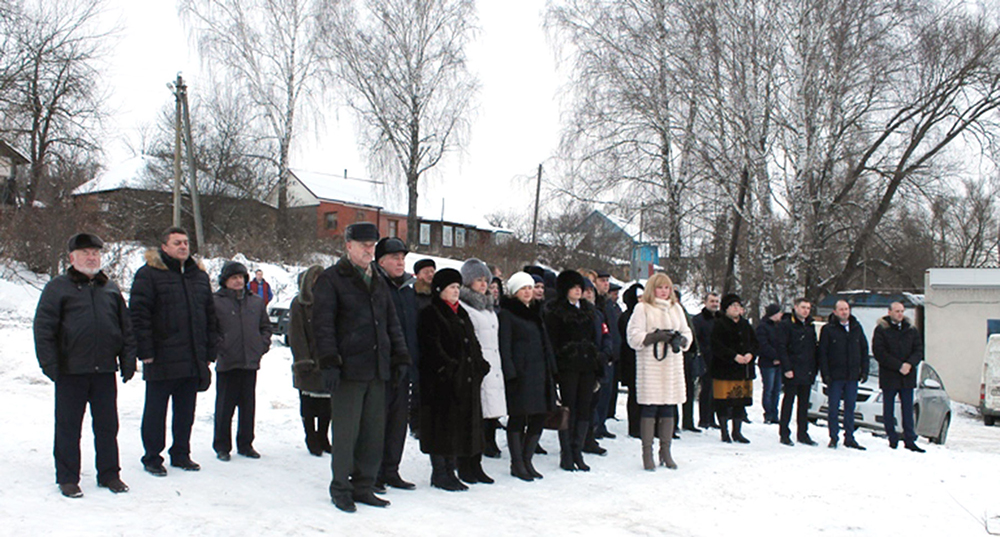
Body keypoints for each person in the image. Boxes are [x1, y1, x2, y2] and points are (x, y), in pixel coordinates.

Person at [313, 222, 410, 513]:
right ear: (349, 246)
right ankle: (341, 487)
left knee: (372, 432)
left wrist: (401, 357)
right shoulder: (332, 279)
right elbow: (323, 326)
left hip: (377, 369)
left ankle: (364, 486)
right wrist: (329, 362)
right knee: (346, 433)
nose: (369, 249)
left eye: (372, 244)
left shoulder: (378, 279)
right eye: (363, 244)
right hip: (348, 371)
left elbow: (392, 322)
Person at [34, 233, 136, 498]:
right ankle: (68, 478)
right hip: (71, 371)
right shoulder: (58, 288)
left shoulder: (110, 289)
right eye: (85, 253)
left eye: (95, 253)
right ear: (72, 258)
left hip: (104, 371)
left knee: (107, 426)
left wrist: (127, 359)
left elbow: (125, 328)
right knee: (68, 427)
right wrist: (50, 364)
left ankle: (109, 474)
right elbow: (44, 328)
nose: (92, 258)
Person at [130, 226, 217, 477]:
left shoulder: (198, 276)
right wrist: (144, 349)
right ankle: (152, 457)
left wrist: (211, 348)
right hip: (161, 356)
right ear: (164, 247)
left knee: (185, 411)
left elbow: (210, 314)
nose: (183, 247)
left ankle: (181, 453)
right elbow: (138, 314)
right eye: (177, 242)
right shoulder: (149, 274)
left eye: (186, 243)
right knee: (156, 411)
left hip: (192, 357)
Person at [418, 268, 490, 491]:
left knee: (456, 426)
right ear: (440, 290)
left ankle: (451, 470)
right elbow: (431, 347)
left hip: (464, 381)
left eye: (458, 287)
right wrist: (448, 368)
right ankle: (440, 472)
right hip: (441, 383)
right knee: (441, 427)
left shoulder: (462, 314)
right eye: (452, 287)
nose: (456, 291)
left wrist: (480, 366)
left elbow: (473, 343)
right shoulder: (430, 313)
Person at [626, 273, 692, 471]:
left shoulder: (676, 308)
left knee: (669, 408)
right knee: (649, 408)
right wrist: (653, 338)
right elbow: (633, 336)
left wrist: (681, 340)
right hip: (651, 366)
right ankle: (647, 453)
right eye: (660, 287)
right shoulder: (642, 308)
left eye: (667, 288)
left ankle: (666, 451)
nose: (664, 291)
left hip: (671, 364)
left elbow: (688, 332)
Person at [499, 272, 556, 481]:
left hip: (539, 373)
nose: (527, 292)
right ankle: (517, 463)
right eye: (523, 288)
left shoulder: (536, 313)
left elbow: (545, 343)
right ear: (514, 292)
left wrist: (552, 369)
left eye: (530, 288)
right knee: (518, 417)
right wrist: (510, 373)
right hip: (520, 374)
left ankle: (527, 459)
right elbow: (504, 345)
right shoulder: (507, 314)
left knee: (539, 416)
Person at [211, 261, 272, 461]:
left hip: (250, 362)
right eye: (234, 277)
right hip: (228, 361)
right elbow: (210, 330)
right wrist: (221, 347)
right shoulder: (216, 301)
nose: (238, 281)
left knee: (248, 406)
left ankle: (246, 444)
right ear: (225, 280)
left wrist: (261, 346)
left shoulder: (255, 302)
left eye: (241, 277)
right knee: (224, 407)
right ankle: (222, 446)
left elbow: (265, 327)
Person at [544, 270, 603, 472]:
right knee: (569, 408)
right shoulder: (555, 312)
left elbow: (596, 339)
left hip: (587, 366)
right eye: (574, 287)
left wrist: (597, 362)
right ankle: (566, 452)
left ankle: (577, 449)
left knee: (584, 407)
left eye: (581, 287)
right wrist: (556, 368)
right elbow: (552, 342)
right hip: (567, 367)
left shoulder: (588, 310)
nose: (578, 291)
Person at [374, 237, 419, 490]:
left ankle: (392, 470)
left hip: (405, 367)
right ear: (381, 262)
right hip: (382, 368)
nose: (400, 262)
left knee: (398, 423)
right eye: (395, 258)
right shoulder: (376, 288)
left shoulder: (408, 290)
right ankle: (375, 472)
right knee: (379, 422)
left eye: (403, 258)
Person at [459, 259, 507, 478]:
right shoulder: (465, 307)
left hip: (491, 369)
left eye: (485, 280)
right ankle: (467, 464)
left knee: (485, 419)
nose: (483, 284)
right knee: (472, 420)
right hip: (474, 370)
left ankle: (477, 463)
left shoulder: (488, 309)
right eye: (478, 279)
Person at [288, 265, 331, 456]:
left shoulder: (330, 301)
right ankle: (310, 436)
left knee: (326, 404)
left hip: (327, 360)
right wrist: (304, 360)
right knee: (308, 403)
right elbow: (296, 334)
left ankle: (323, 436)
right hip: (308, 360)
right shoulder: (299, 303)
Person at [872, 302, 925, 452]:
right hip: (890, 375)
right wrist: (898, 366)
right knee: (888, 408)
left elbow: (918, 350)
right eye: (897, 311)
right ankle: (892, 437)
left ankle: (910, 439)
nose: (900, 314)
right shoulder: (882, 330)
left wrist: (909, 364)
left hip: (907, 376)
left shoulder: (911, 330)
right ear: (889, 312)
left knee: (908, 409)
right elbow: (879, 352)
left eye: (902, 311)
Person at [818, 300, 869, 450]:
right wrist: (825, 373)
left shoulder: (856, 328)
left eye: (846, 309)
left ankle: (850, 437)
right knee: (833, 408)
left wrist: (864, 370)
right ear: (835, 312)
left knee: (850, 408)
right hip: (835, 376)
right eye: (841, 309)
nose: (844, 312)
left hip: (852, 375)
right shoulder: (828, 329)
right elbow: (823, 353)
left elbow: (864, 350)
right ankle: (833, 437)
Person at [710, 294, 758, 444]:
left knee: (740, 401)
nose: (737, 308)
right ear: (726, 309)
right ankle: (724, 432)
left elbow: (755, 343)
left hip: (744, 369)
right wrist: (734, 356)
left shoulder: (746, 325)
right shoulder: (719, 324)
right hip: (725, 368)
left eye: (739, 306)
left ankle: (737, 431)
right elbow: (716, 345)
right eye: (733, 306)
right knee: (723, 402)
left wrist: (751, 354)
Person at [776, 298, 818, 447]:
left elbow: (813, 349)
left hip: (807, 370)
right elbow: (782, 348)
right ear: (795, 307)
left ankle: (803, 433)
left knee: (804, 404)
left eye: (808, 308)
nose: (806, 310)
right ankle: (784, 433)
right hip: (792, 369)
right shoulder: (786, 325)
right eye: (803, 307)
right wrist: (787, 368)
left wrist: (814, 370)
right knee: (788, 402)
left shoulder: (810, 325)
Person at [581, 278, 613, 456]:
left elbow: (606, 333)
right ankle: (580, 439)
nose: (588, 294)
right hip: (585, 364)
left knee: (594, 403)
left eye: (591, 291)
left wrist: (607, 351)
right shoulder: (578, 315)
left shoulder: (598, 314)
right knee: (583, 406)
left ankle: (589, 437)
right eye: (585, 290)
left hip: (599, 365)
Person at [593, 271, 621, 440]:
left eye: (607, 281)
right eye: (602, 281)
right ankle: (595, 426)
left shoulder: (608, 303)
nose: (606, 284)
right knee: (598, 394)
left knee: (607, 394)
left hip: (612, 354)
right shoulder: (596, 304)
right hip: (601, 354)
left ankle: (601, 424)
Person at [410, 257, 436, 437]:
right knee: (419, 388)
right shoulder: (413, 296)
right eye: (426, 271)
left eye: (432, 271)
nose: (430, 275)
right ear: (417, 275)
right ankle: (416, 423)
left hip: (435, 347)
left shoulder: (437, 296)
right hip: (418, 346)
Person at [618, 283, 644, 438]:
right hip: (631, 360)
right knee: (634, 395)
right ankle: (634, 427)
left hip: (640, 359)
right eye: (639, 297)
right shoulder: (627, 316)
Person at [674, 289, 702, 433]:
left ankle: (688, 421)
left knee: (689, 390)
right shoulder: (670, 314)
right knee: (674, 390)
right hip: (676, 354)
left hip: (689, 354)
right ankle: (673, 424)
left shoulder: (683, 312)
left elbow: (691, 333)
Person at [692, 292, 721, 429]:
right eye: (712, 301)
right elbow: (696, 339)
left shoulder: (720, 319)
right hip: (705, 359)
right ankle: (704, 419)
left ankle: (712, 418)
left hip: (719, 359)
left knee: (716, 390)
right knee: (706, 390)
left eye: (716, 301)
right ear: (705, 302)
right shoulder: (698, 320)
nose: (714, 304)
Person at [756, 304, 783, 424]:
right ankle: (768, 413)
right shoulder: (763, 327)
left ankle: (775, 413)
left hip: (778, 362)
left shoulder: (780, 327)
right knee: (768, 388)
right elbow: (763, 345)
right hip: (767, 362)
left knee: (777, 389)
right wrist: (775, 356)